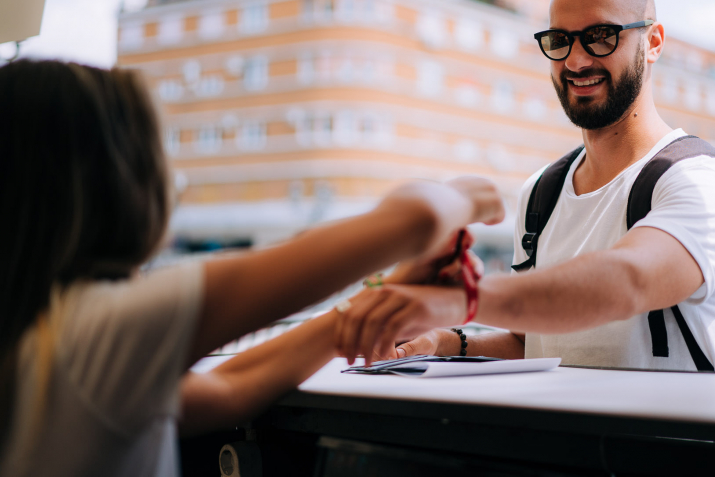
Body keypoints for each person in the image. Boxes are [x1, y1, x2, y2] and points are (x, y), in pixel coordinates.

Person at [0, 59, 504, 476]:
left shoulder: (42, 338)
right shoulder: (99, 331)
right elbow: (416, 219)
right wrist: (468, 195)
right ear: (112, 185)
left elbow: (231, 388)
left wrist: (377, 299)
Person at [336, 0, 715, 374]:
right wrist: (450, 342)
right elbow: (538, 342)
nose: (575, 61)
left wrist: (459, 298)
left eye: (600, 36)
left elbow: (627, 282)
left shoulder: (701, 180)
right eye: (560, 40)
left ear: (654, 42)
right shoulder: (542, 191)